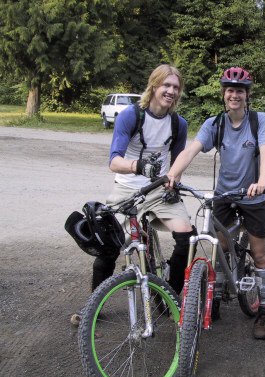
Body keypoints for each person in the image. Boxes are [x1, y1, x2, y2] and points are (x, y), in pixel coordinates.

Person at [70, 64, 196, 324]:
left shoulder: (178, 124)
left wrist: (173, 183)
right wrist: (137, 166)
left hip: (159, 190)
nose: (171, 91)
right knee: (109, 246)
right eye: (166, 86)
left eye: (175, 87)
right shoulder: (131, 115)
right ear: (154, 86)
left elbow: (177, 163)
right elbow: (113, 161)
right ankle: (94, 307)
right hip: (127, 188)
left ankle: (169, 295)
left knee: (186, 234)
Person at [167, 66, 265, 340]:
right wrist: (172, 175)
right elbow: (190, 150)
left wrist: (261, 181)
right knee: (218, 248)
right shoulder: (214, 123)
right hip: (224, 195)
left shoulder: (259, 121)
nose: (234, 95)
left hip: (253, 196)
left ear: (247, 95)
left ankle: (264, 309)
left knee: (259, 253)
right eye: (230, 90)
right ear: (223, 94)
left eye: (239, 90)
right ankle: (213, 297)